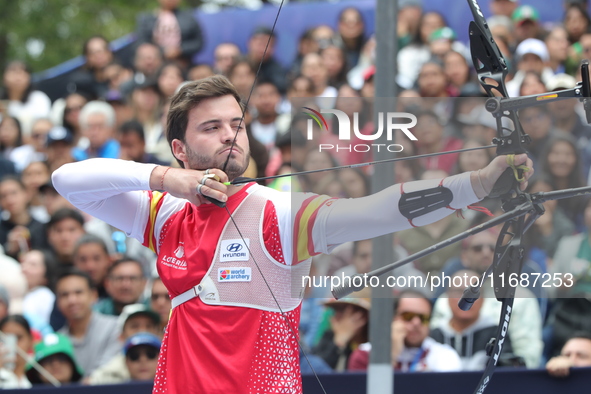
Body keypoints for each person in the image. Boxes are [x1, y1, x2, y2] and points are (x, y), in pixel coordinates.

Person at [52, 75, 533, 393]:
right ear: (179, 148)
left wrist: (476, 184)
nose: (230, 136)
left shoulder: (276, 213)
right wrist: (166, 179)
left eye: (236, 125)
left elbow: (377, 210)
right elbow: (68, 180)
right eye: (211, 127)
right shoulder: (164, 213)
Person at [348, 290, 462, 372]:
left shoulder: (443, 356)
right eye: (408, 316)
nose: (416, 323)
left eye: (423, 318)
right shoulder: (364, 355)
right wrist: (391, 355)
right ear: (392, 318)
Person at [55, 269, 120, 376]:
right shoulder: (57, 341)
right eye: (64, 295)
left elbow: (108, 374)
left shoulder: (115, 327)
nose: (72, 300)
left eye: (78, 292)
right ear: (57, 302)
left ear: (94, 295)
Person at [88, 304, 161, 385]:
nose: (142, 331)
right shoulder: (107, 375)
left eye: (148, 326)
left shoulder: (172, 367)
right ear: (121, 336)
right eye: (135, 326)